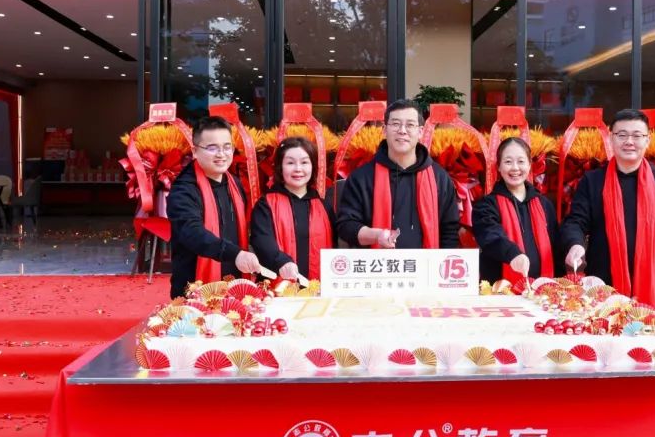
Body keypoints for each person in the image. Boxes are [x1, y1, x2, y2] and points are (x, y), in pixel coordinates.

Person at [560, 108, 655, 311]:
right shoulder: (592, 181)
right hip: (601, 288)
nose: (629, 141)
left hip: (652, 289)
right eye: (622, 135)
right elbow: (575, 221)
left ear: (647, 141)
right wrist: (575, 244)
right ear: (611, 139)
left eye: (637, 135)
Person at [336, 99, 460, 249]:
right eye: (395, 124)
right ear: (384, 130)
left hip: (426, 263)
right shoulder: (362, 177)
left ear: (421, 132)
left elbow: (449, 231)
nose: (402, 130)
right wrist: (377, 236)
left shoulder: (439, 178)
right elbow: (346, 226)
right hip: (376, 263)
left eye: (410, 125)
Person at [167, 115, 260, 298]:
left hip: (235, 287)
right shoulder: (183, 190)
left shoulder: (234, 183)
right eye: (212, 148)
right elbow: (192, 233)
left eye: (227, 147)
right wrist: (235, 254)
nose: (221, 154)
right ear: (195, 151)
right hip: (194, 291)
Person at [472, 137, 560, 283]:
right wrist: (512, 254)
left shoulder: (544, 204)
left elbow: (556, 247)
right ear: (498, 166)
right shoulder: (486, 206)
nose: (515, 168)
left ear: (529, 165)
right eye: (508, 162)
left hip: (543, 291)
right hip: (501, 291)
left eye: (521, 161)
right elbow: (491, 236)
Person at [250, 136, 336, 280]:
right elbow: (262, 241)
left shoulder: (324, 206)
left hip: (318, 287)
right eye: (290, 163)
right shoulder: (266, 205)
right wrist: (281, 261)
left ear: (313, 166)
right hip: (277, 287)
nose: (298, 169)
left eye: (304, 162)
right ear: (280, 167)